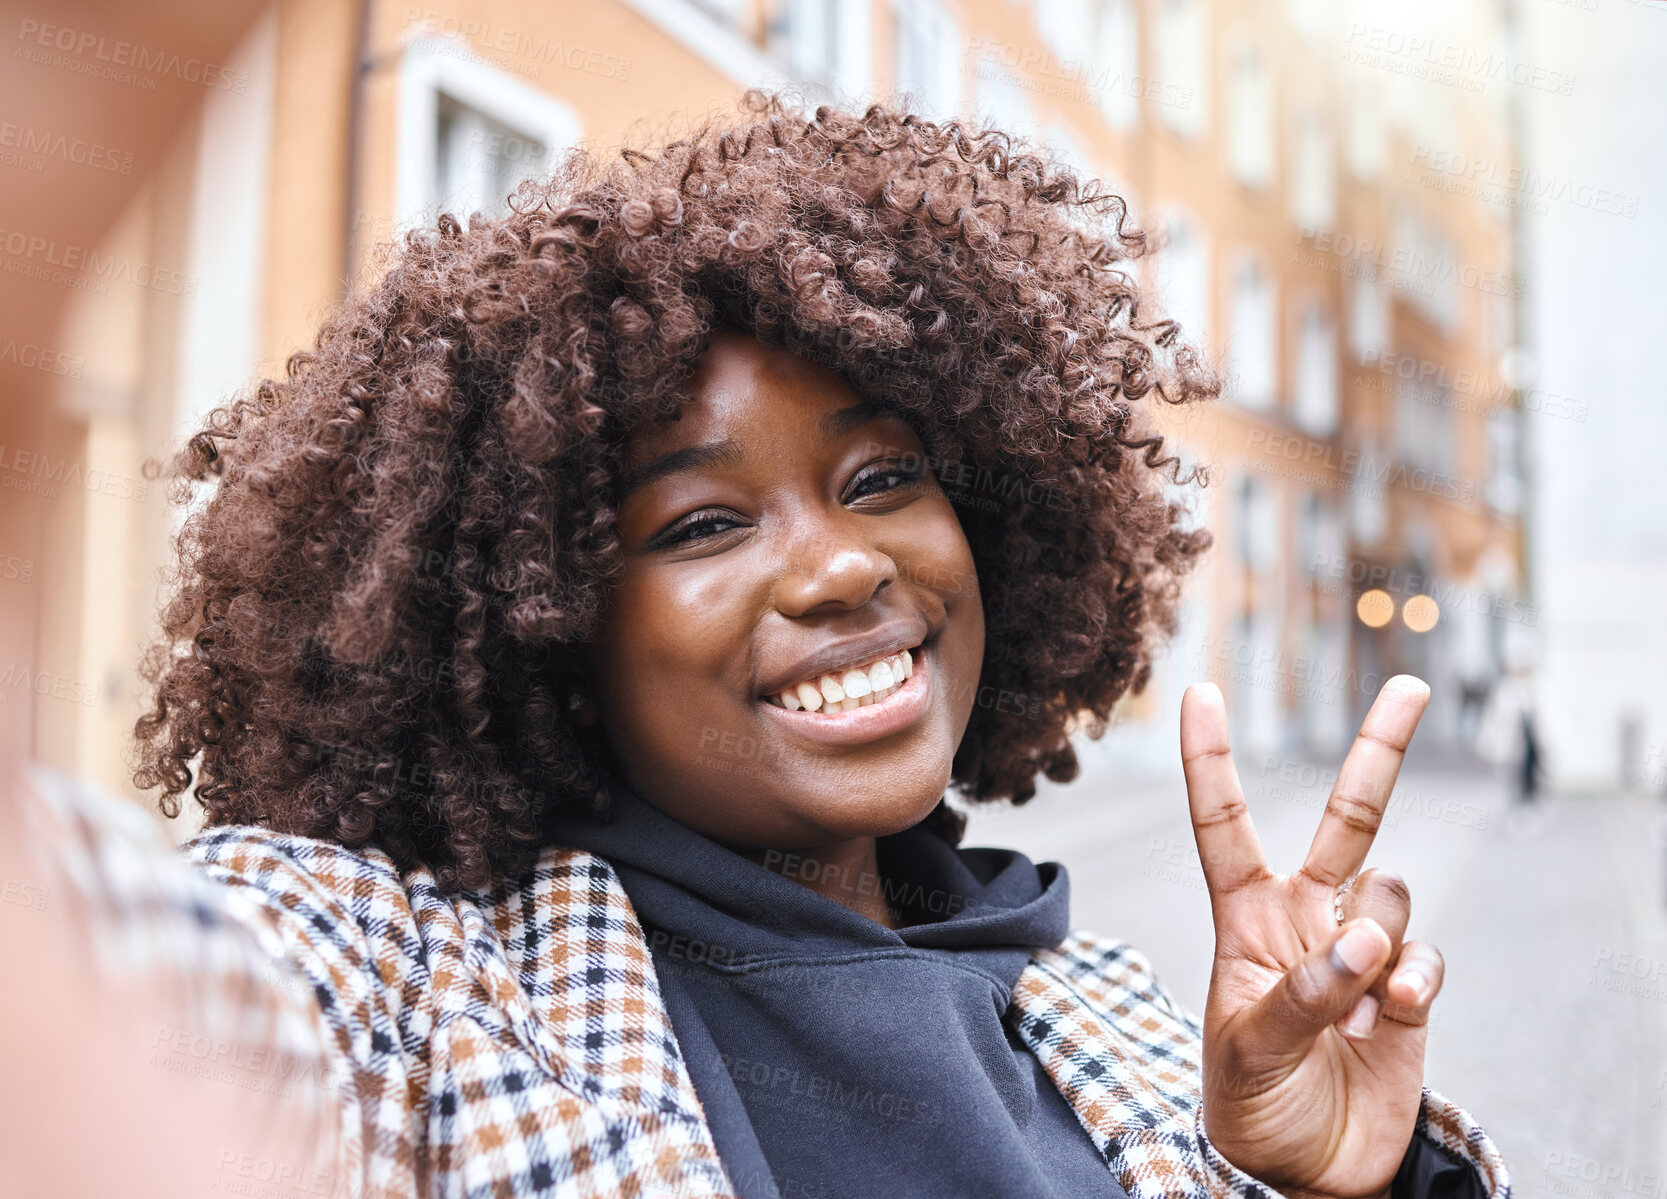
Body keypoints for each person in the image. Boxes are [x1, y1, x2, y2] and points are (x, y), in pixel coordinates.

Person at [17, 95, 1510, 1198]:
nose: (848, 561)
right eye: (702, 527)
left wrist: (1352, 1191)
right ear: (545, 624)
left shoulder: (1107, 1017)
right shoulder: (411, 990)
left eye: (881, 480)